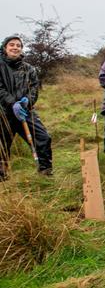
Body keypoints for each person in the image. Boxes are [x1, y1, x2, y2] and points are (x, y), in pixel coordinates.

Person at [0, 34, 53, 179]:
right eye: (12, 44)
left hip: (26, 112)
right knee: (2, 145)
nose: (15, 47)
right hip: (4, 113)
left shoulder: (29, 69)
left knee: (43, 138)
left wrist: (26, 102)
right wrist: (13, 103)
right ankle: (2, 176)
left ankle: (45, 172)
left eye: (18, 45)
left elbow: (34, 88)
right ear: (5, 47)